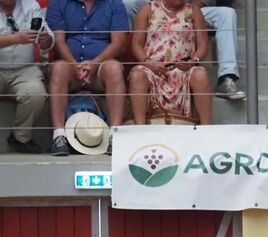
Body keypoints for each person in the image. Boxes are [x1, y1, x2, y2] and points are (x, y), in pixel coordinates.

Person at [46, 0, 129, 156]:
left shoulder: (114, 4)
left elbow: (119, 43)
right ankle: (59, 135)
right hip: (70, 66)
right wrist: (74, 65)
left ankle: (115, 134)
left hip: (100, 67)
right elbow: (58, 41)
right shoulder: (58, 3)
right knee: (59, 68)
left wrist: (96, 63)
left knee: (114, 68)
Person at [123, 0, 246, 100]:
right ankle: (134, 70)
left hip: (187, 6)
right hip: (151, 5)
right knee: (127, 4)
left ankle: (226, 77)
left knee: (227, 13)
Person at [128, 0, 212, 125]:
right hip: (153, 70)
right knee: (137, 75)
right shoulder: (147, 10)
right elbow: (136, 45)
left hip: (184, 70)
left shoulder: (194, 11)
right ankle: (141, 128)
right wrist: (148, 63)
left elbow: (203, 46)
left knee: (200, 74)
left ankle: (207, 129)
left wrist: (193, 61)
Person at [0, 0, 52, 154]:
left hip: (24, 68)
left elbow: (47, 37)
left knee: (36, 92)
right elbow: (16, 39)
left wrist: (46, 39)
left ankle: (20, 138)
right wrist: (14, 39)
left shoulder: (31, 5)